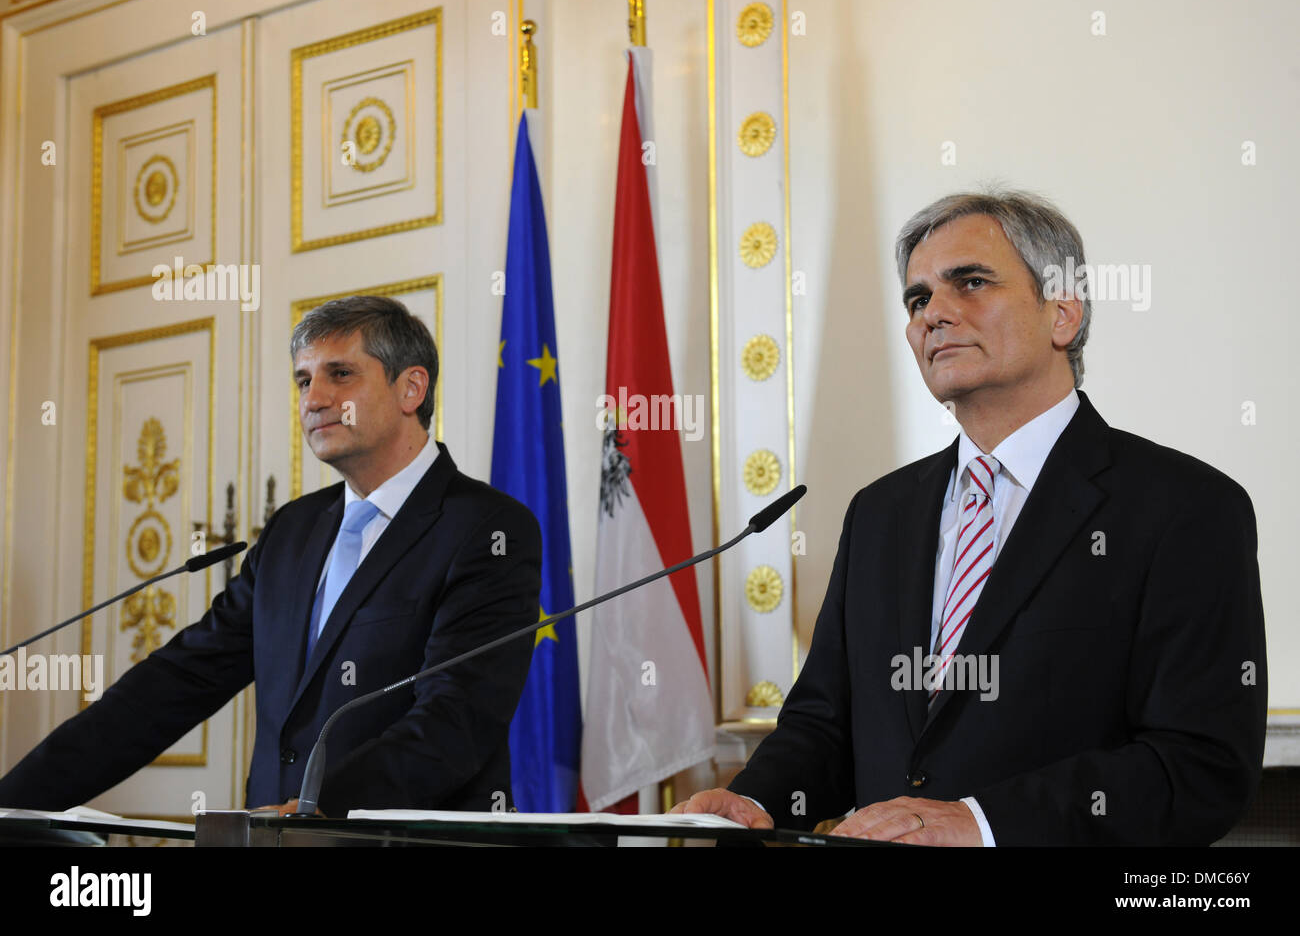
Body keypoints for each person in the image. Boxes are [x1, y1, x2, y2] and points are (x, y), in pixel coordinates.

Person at [673, 190, 1267, 845]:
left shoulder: (1183, 507)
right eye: (917, 298)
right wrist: (754, 800)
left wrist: (983, 823)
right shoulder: (881, 513)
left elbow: (1200, 766)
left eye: (971, 283)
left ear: (1062, 314)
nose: (934, 313)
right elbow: (825, 725)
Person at [0, 295, 542, 816]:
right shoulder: (293, 531)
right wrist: (15, 803)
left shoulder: (488, 528)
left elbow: (458, 717)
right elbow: (175, 684)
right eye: (304, 380)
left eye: (340, 374)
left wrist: (319, 809)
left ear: (411, 388)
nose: (313, 400)